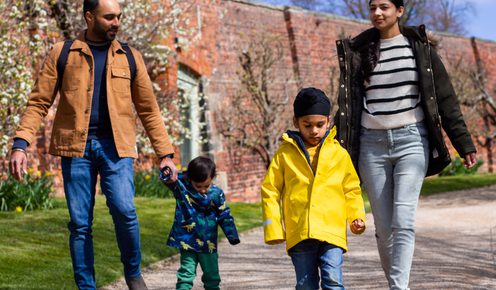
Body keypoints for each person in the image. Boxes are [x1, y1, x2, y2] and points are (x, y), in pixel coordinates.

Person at [8, 0, 178, 288]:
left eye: (119, 17)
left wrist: (166, 154)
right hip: (76, 148)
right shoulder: (63, 53)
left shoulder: (130, 57)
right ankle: (86, 286)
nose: (116, 23)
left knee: (125, 210)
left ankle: (133, 274)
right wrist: (20, 144)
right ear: (89, 17)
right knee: (80, 224)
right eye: (109, 17)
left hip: (117, 148)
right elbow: (39, 101)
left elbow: (149, 109)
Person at [334, 0, 478, 289]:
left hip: (412, 141)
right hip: (371, 145)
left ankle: (398, 288)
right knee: (384, 228)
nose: (377, 13)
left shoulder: (420, 49)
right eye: (373, 7)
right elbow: (347, 106)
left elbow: (446, 99)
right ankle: (397, 285)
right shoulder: (358, 51)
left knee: (403, 221)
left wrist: (464, 143)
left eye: (384, 7)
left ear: (399, 10)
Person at [261, 87, 367, 290]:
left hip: (332, 230)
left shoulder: (339, 154)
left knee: (333, 281)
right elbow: (270, 190)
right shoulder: (284, 155)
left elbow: (351, 189)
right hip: (300, 232)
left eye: (320, 125)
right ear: (296, 122)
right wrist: (273, 227)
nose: (314, 131)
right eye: (307, 125)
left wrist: (356, 217)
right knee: (305, 285)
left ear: (329, 121)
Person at [161, 156, 240, 290]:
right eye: (198, 186)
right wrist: (167, 173)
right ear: (190, 178)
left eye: (206, 186)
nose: (203, 190)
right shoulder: (182, 189)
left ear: (212, 179)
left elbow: (224, 214)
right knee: (185, 275)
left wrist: (232, 235)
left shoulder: (216, 194)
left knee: (212, 276)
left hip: (207, 242)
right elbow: (170, 180)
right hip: (187, 241)